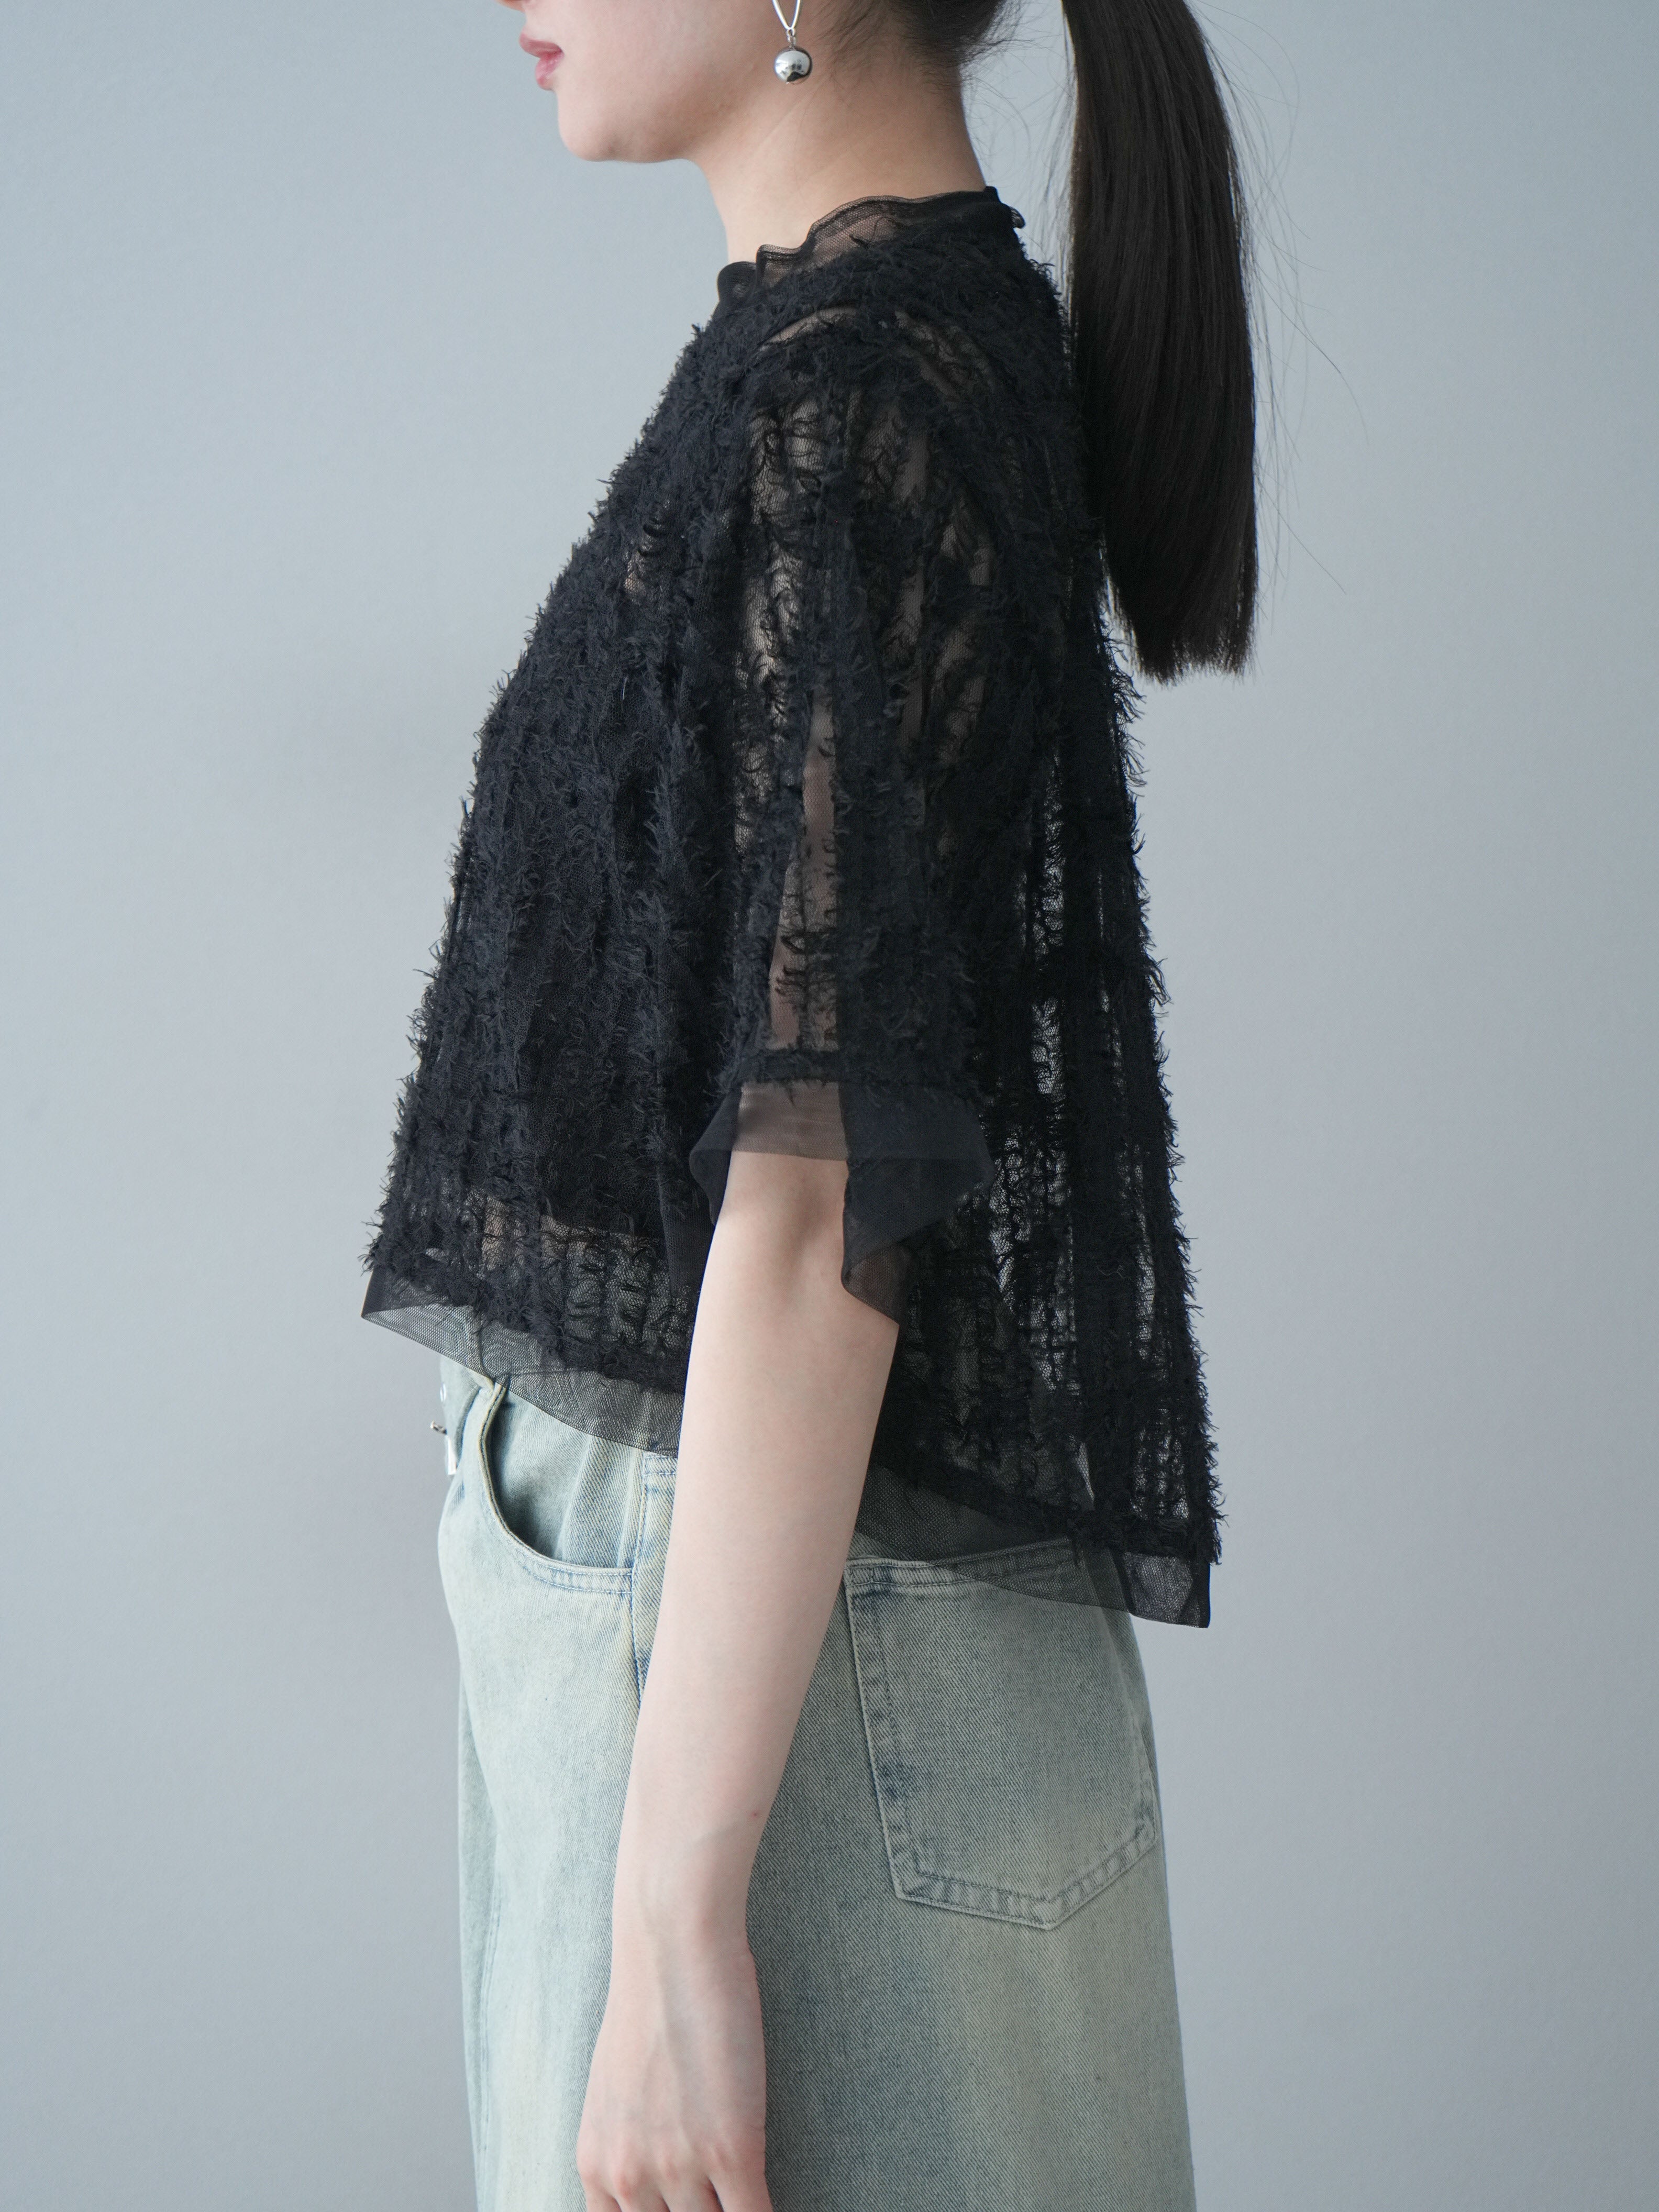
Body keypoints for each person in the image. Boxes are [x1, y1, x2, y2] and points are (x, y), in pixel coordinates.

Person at [361, 2, 1260, 2205]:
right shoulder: (870, 351)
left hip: (759, 1645)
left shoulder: (853, 407)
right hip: (790, 1631)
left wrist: (676, 1921)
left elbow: (816, 1194)